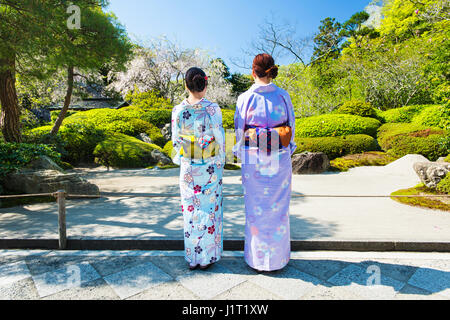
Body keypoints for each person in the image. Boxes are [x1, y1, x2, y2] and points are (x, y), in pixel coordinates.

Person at [233, 53, 297, 272]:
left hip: (253, 157)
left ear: (253, 72)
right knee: (278, 209)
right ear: (272, 71)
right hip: (280, 157)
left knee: (255, 208)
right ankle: (278, 259)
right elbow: (292, 127)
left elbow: (239, 131)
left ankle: (257, 260)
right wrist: (287, 149)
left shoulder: (245, 98)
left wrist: (240, 153)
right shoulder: (283, 96)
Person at [172, 67, 226, 270]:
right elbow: (219, 139)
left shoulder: (178, 111)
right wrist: (219, 161)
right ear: (205, 84)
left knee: (191, 211)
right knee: (210, 210)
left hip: (189, 169)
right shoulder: (213, 108)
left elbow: (176, 142)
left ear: (186, 85)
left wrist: (188, 155)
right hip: (210, 168)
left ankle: (193, 258)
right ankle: (207, 258)